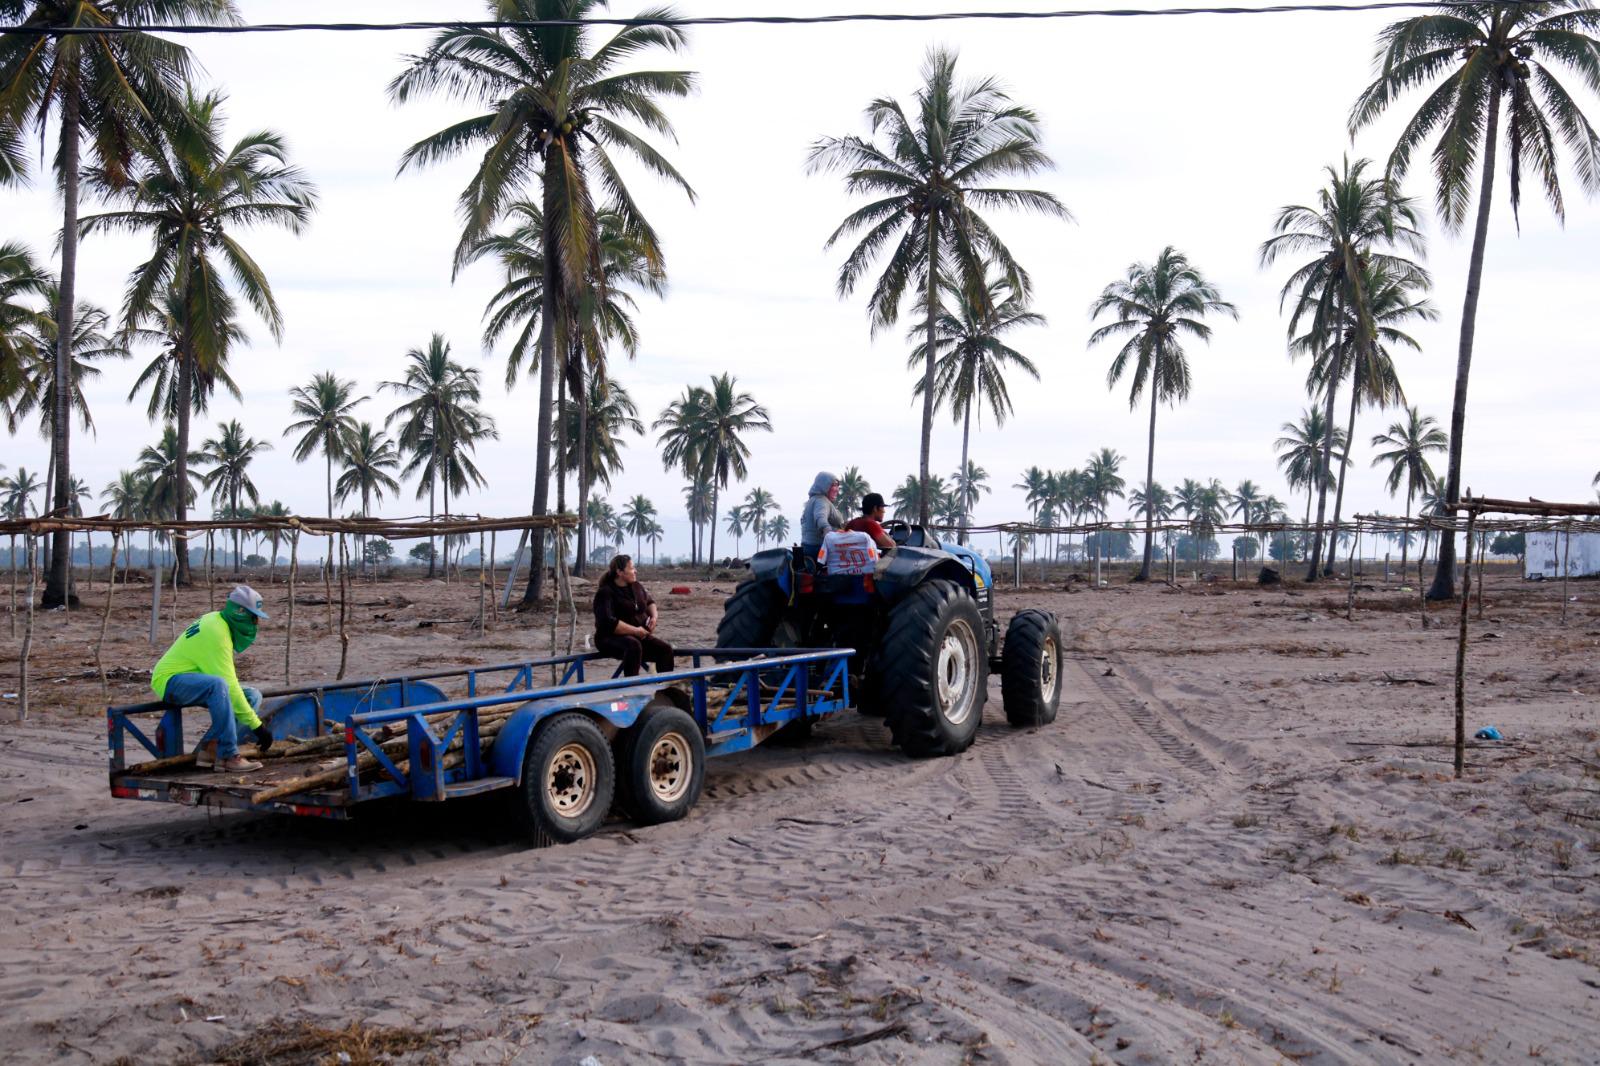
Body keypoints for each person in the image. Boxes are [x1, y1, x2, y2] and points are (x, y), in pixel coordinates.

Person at [151, 585, 272, 773]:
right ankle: (228, 756)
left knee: (252, 696)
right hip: (169, 681)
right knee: (219, 685)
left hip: (192, 679)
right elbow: (229, 684)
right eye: (253, 617)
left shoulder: (217, 620)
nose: (256, 623)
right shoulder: (217, 633)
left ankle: (211, 750)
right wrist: (258, 727)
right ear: (240, 613)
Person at [593, 554, 674, 677]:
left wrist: (654, 617)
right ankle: (631, 689)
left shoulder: (637, 587)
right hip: (609, 638)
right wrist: (635, 631)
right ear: (619, 572)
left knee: (665, 650)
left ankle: (666, 690)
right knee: (633, 645)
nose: (635, 571)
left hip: (638, 636)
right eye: (631, 568)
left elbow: (650, 603)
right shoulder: (605, 593)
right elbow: (608, 622)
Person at [800, 470, 844, 559]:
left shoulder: (812, 500)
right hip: (818, 548)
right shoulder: (821, 501)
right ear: (824, 485)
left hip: (807, 547)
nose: (836, 489)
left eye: (837, 485)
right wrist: (828, 532)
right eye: (833, 485)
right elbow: (820, 517)